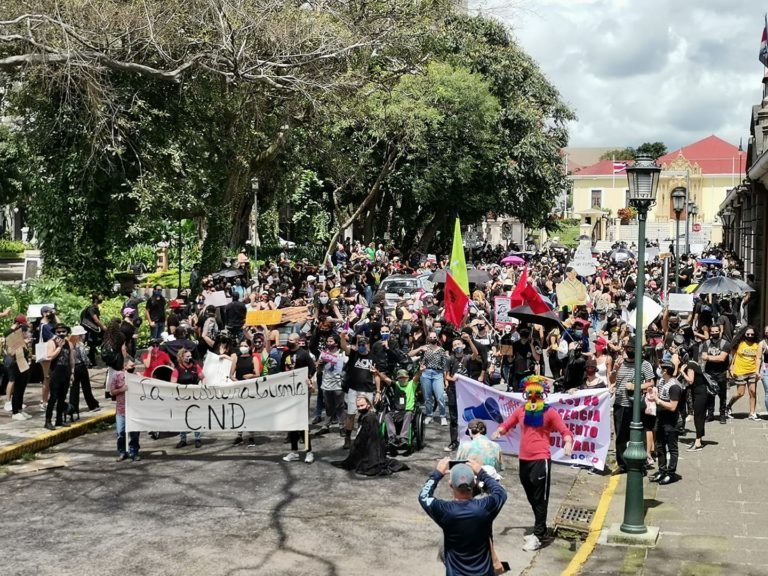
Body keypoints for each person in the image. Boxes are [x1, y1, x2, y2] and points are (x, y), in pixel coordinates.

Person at [492, 375, 573, 551]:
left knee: (540, 497)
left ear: (542, 394)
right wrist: (500, 430)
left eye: (536, 394)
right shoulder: (521, 411)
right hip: (524, 459)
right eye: (529, 394)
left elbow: (564, 430)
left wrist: (568, 442)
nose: (532, 398)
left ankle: (538, 534)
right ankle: (541, 529)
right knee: (531, 495)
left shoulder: (550, 412)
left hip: (540, 458)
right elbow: (508, 423)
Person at [418, 457, 507, 576]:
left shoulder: (445, 511)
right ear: (474, 483)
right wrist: (481, 472)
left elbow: (424, 496)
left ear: (451, 484)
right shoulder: (485, 507)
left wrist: (437, 473)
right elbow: (500, 492)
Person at [608, 336, 655, 474]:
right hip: (620, 403)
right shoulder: (620, 362)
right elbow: (612, 380)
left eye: (632, 348)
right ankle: (623, 464)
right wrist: (615, 369)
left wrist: (636, 386)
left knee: (638, 434)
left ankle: (641, 463)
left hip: (635, 404)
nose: (629, 350)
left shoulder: (644, 364)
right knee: (620, 436)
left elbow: (651, 382)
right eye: (627, 348)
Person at [331, 395, 408, 476]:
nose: (360, 408)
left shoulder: (370, 417)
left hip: (373, 449)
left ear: (368, 405)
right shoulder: (364, 416)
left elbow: (373, 439)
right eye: (358, 406)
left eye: (362, 405)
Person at [339, 331, 380, 450]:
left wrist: (378, 391)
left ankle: (368, 438)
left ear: (368, 345)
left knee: (369, 414)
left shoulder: (373, 357)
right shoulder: (354, 354)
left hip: (368, 390)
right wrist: (342, 337)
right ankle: (347, 437)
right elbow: (344, 347)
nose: (362, 347)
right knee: (351, 414)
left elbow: (377, 375)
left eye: (364, 344)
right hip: (354, 389)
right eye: (360, 344)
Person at [281, 333, 317, 463]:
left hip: (301, 392)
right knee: (292, 422)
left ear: (297, 341)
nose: (289, 341)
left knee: (302, 421)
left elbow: (313, 367)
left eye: (291, 340)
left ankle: (309, 451)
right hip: (289, 392)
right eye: (288, 339)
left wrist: (308, 378)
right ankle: (294, 451)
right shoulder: (285, 354)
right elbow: (281, 370)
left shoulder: (303, 354)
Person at [650, 362, 683, 485]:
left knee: (672, 448)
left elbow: (673, 406)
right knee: (660, 446)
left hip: (672, 422)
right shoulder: (662, 382)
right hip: (661, 419)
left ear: (665, 371)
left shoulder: (674, 386)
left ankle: (671, 473)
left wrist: (657, 400)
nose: (658, 370)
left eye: (660, 369)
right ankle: (662, 470)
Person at [380, 367, 422, 449]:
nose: (402, 379)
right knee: (387, 416)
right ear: (398, 379)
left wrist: (420, 370)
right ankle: (392, 438)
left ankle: (404, 438)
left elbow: (416, 377)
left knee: (408, 414)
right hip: (397, 411)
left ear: (407, 378)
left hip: (407, 411)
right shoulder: (396, 385)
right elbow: (385, 379)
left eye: (404, 378)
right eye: (400, 378)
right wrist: (377, 372)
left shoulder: (411, 384)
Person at [172, 349, 205, 448]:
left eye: (190, 356)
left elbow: (203, 377)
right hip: (182, 398)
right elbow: (172, 383)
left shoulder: (195, 367)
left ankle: (197, 438)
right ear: (181, 358)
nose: (189, 358)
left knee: (196, 417)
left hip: (194, 397)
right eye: (187, 356)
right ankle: (183, 439)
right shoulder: (177, 370)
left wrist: (203, 387)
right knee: (182, 418)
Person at [110, 357, 141, 461]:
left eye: (134, 366)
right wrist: (121, 389)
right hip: (121, 410)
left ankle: (134, 451)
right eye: (131, 366)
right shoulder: (117, 376)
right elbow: (112, 391)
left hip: (134, 410)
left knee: (135, 433)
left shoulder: (137, 376)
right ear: (125, 366)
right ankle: (122, 451)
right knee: (121, 432)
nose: (133, 367)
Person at [44, 324, 74, 430]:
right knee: (53, 398)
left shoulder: (69, 343)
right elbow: (50, 356)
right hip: (55, 373)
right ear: (55, 332)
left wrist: (72, 373)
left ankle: (59, 420)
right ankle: (48, 421)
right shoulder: (51, 343)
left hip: (65, 373)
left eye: (63, 331)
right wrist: (59, 347)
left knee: (62, 398)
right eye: (59, 332)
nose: (61, 334)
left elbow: (71, 359)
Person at [726, 326, 760, 420]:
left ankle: (752, 413)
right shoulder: (739, 344)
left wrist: (757, 371)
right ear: (744, 334)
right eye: (748, 334)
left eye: (752, 334)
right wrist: (731, 369)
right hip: (740, 371)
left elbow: (758, 358)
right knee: (740, 393)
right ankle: (728, 406)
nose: (750, 336)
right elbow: (732, 357)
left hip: (752, 371)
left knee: (753, 392)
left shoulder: (757, 345)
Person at [316, 334, 347, 436]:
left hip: (338, 384)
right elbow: (319, 371)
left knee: (340, 406)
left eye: (331, 341)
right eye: (328, 342)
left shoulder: (342, 354)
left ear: (336, 343)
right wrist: (319, 365)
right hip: (326, 384)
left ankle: (342, 426)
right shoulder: (323, 354)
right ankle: (326, 426)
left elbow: (346, 367)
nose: (328, 343)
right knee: (328, 406)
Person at [700, 324, 730, 424]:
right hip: (709, 373)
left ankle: (722, 415)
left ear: (720, 331)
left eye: (716, 331)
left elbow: (722, 358)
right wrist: (715, 358)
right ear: (710, 332)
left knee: (722, 395)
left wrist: (710, 357)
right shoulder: (706, 343)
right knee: (709, 395)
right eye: (712, 331)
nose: (714, 333)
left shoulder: (725, 343)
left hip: (721, 373)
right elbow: (703, 356)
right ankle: (710, 415)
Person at [69, 325, 101, 416]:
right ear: (80, 335)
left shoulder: (70, 344)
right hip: (81, 367)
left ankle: (73, 408)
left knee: (74, 389)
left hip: (73, 367)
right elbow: (84, 358)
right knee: (86, 387)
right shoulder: (80, 345)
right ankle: (92, 405)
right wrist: (88, 363)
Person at [680, 361, 707, 452]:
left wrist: (682, 372)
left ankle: (698, 443)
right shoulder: (694, 364)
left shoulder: (690, 366)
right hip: (702, 393)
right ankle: (700, 439)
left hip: (700, 394)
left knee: (698, 418)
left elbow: (690, 380)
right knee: (701, 417)